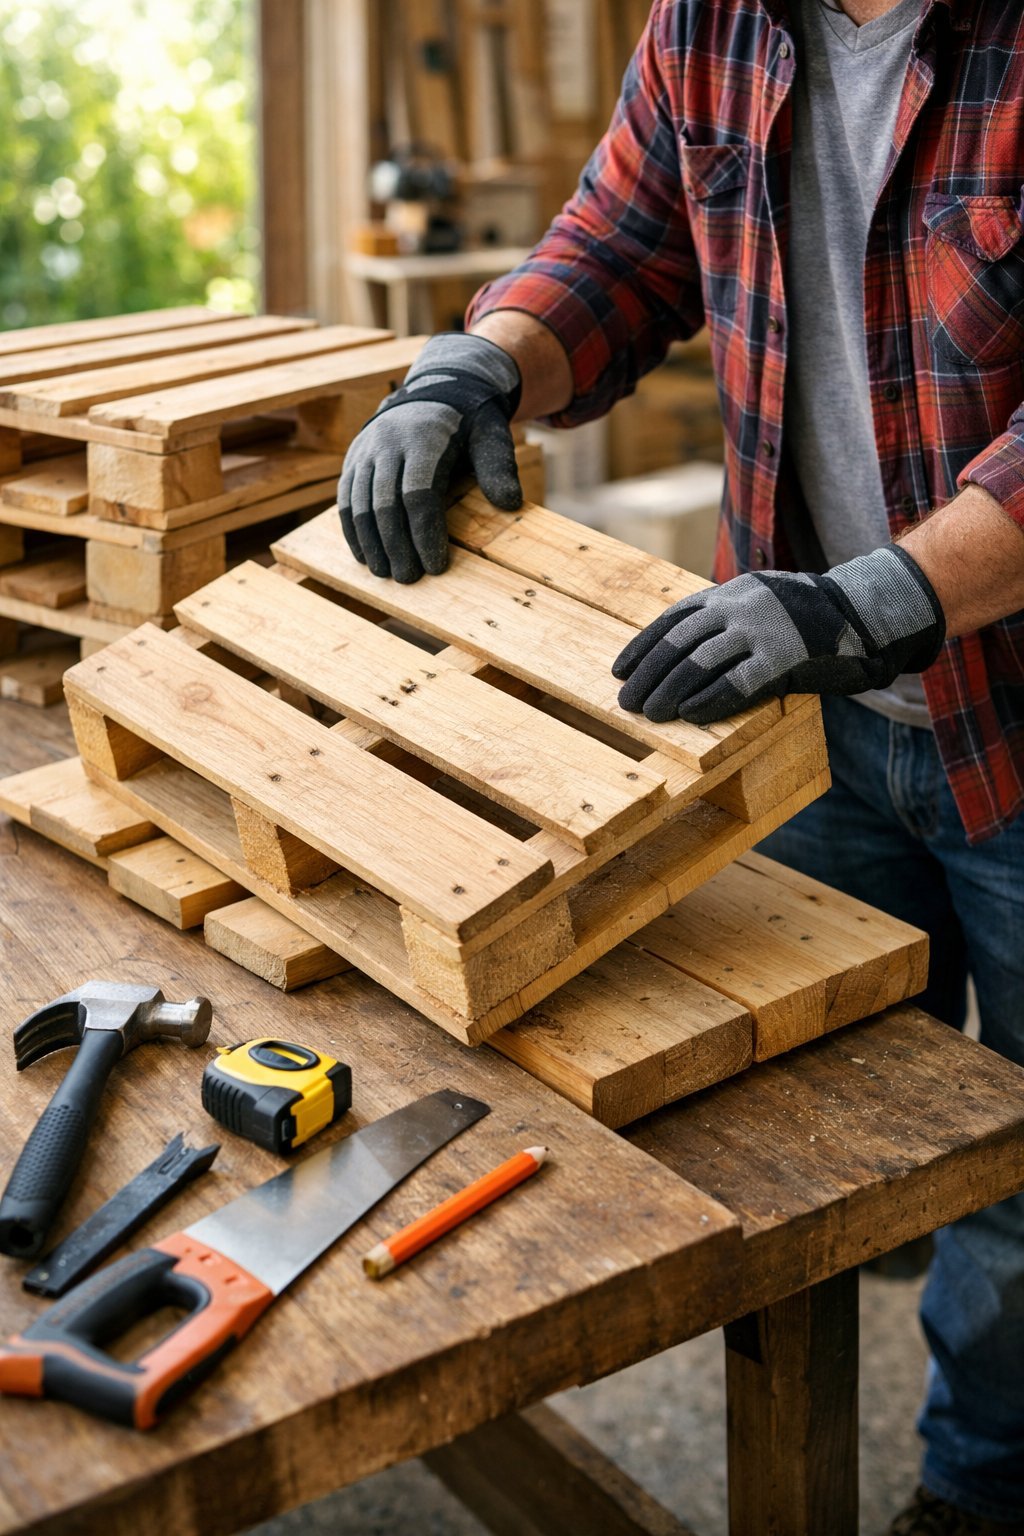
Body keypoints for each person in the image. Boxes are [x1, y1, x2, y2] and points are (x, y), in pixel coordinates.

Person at [336, 1, 1024, 1530]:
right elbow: (620, 240)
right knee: (809, 1138)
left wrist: (878, 602)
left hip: (1002, 710)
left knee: (1022, 1199)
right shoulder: (714, 19)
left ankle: (981, 1492)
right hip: (802, 708)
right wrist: (476, 365)